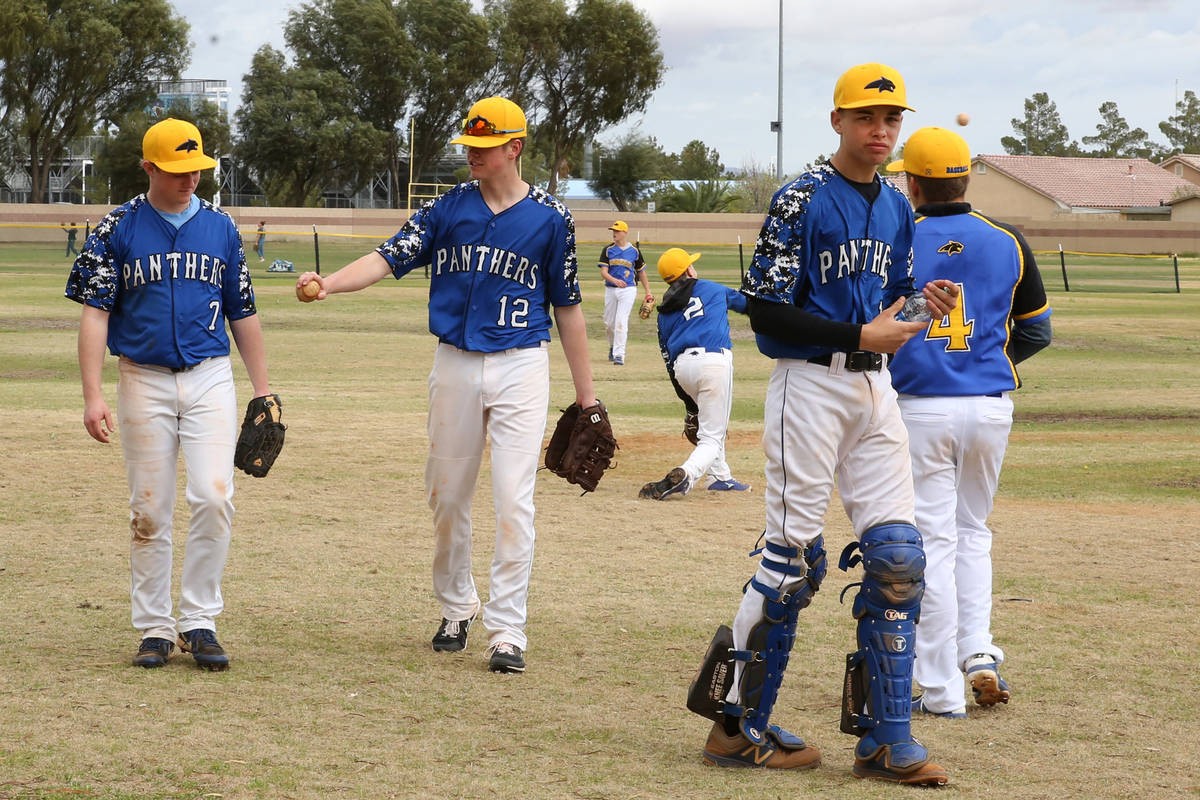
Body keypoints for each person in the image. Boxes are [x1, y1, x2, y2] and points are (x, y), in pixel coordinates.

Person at [685, 63, 959, 785]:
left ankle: (884, 738)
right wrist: (858, 336)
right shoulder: (801, 198)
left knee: (899, 556)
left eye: (892, 119)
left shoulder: (899, 207)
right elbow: (764, 308)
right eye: (867, 118)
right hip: (807, 386)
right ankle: (736, 728)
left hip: (876, 392)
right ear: (837, 121)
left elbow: (893, 303)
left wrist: (922, 307)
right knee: (791, 566)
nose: (881, 131)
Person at [294, 96, 597, 675]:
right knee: (447, 494)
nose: (472, 156)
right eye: (469, 147)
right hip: (455, 363)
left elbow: (569, 309)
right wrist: (328, 283)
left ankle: (508, 629)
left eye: (484, 147)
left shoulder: (551, 218)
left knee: (514, 500)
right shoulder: (446, 210)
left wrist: (587, 397)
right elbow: (387, 258)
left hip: (521, 364)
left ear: (515, 147)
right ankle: (457, 605)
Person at [64, 117, 274, 671]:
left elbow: (243, 313)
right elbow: (94, 315)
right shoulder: (117, 228)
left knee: (213, 495)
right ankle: (155, 627)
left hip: (209, 376)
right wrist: (92, 395)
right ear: (150, 167)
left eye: (198, 170)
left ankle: (199, 620)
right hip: (142, 377)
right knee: (149, 509)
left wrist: (263, 391)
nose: (190, 180)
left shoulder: (222, 228)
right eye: (178, 171)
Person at [885, 127, 1052, 718]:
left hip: (920, 405)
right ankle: (978, 654)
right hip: (988, 405)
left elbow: (880, 322)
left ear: (913, 182)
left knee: (933, 540)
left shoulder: (902, 236)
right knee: (973, 530)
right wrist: (985, 362)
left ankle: (939, 689)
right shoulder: (1008, 239)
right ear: (965, 177)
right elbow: (1036, 330)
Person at [639, 247, 750, 500]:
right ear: (689, 270)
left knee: (711, 422)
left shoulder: (664, 310)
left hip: (682, 368)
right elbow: (747, 305)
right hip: (714, 362)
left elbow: (666, 357)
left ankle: (720, 477)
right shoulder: (711, 288)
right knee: (711, 436)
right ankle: (686, 475)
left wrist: (687, 401)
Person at [598, 220, 652, 365]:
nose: (614, 234)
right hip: (611, 289)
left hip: (628, 289)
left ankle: (619, 355)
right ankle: (612, 346)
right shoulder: (608, 250)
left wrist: (648, 291)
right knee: (609, 323)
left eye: (617, 231)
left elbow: (641, 272)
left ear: (624, 233)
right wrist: (614, 280)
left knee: (621, 321)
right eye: (613, 231)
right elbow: (604, 272)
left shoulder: (634, 251)